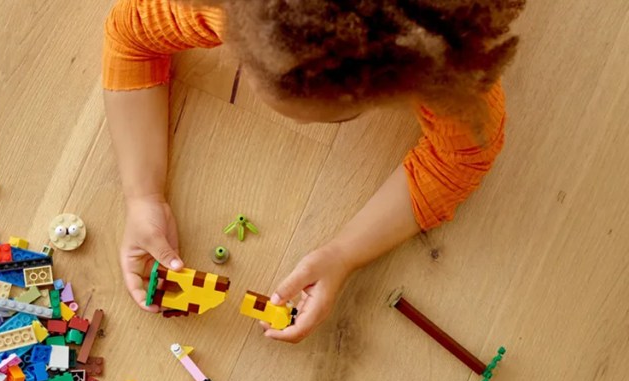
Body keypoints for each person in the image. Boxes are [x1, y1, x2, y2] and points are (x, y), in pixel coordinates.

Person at [103, 0, 525, 341]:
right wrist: (143, 196)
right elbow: (131, 36)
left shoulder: (444, 66)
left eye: (339, 118)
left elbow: (461, 157)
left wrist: (345, 254)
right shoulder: (226, 9)